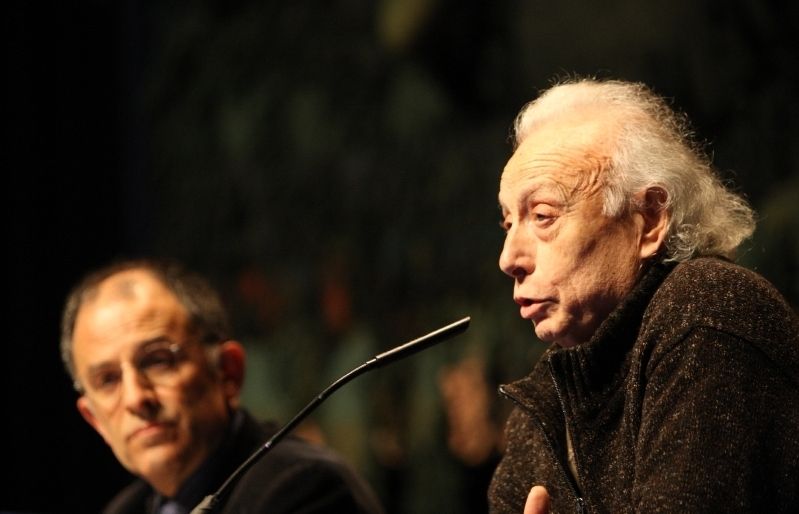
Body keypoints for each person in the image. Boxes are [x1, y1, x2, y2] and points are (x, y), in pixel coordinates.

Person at [489, 77, 799, 513]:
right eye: (508, 224)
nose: (508, 258)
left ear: (649, 219)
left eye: (542, 215)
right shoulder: (547, 400)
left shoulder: (708, 311)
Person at [60, 259, 385, 514]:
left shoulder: (306, 490)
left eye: (158, 360)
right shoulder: (123, 510)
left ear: (228, 372)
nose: (135, 398)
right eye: (107, 380)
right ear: (94, 419)